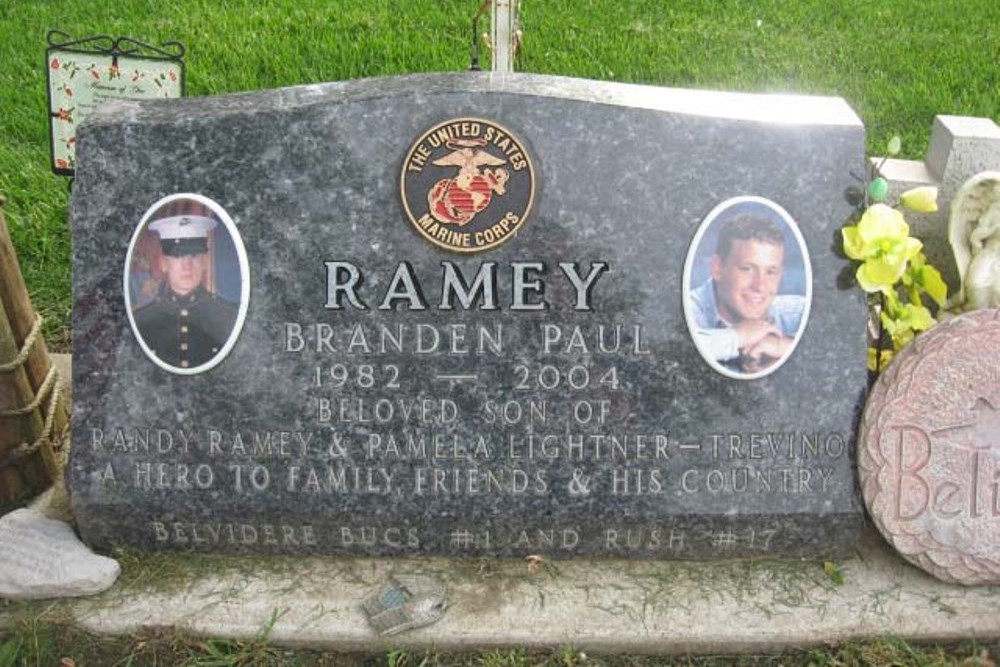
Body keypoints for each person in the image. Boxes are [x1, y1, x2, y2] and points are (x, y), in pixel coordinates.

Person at [689, 214, 806, 374]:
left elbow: (843, 340)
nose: (760, 286)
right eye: (747, 269)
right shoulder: (686, 308)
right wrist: (737, 337)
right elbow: (668, 350)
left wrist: (785, 345)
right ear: (717, 268)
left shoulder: (797, 312)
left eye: (771, 272)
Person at [132, 214, 237, 369]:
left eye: (194, 256)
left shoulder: (230, 316)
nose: (186, 265)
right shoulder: (140, 321)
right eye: (177, 256)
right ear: (164, 264)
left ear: (203, 263)